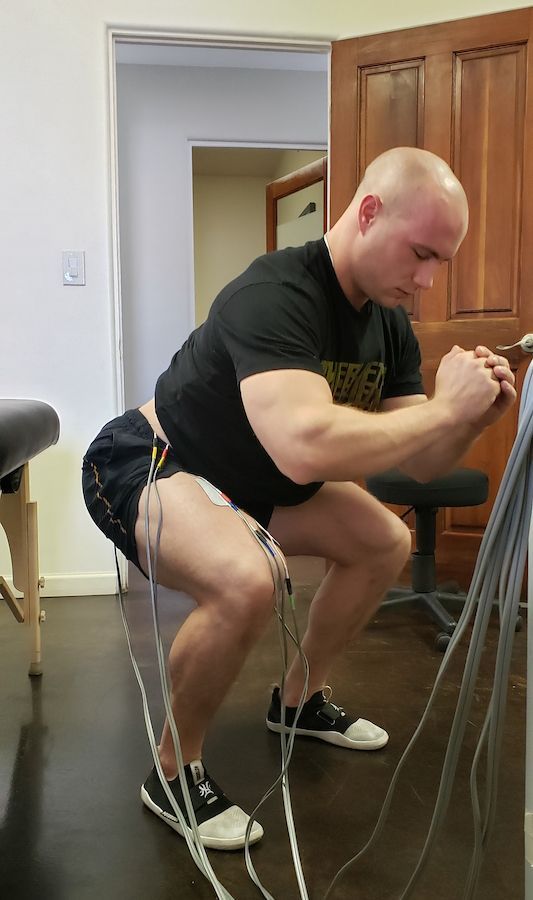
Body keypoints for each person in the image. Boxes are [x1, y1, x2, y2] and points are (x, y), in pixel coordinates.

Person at [82, 146, 516, 851]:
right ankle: (171, 768)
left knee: (385, 541)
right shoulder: (276, 291)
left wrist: (469, 415)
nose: (429, 281)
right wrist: (441, 412)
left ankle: (297, 702)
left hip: (250, 480)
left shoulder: (388, 323)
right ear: (368, 212)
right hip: (149, 460)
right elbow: (304, 445)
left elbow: (424, 462)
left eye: (441, 261)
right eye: (420, 254)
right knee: (247, 579)